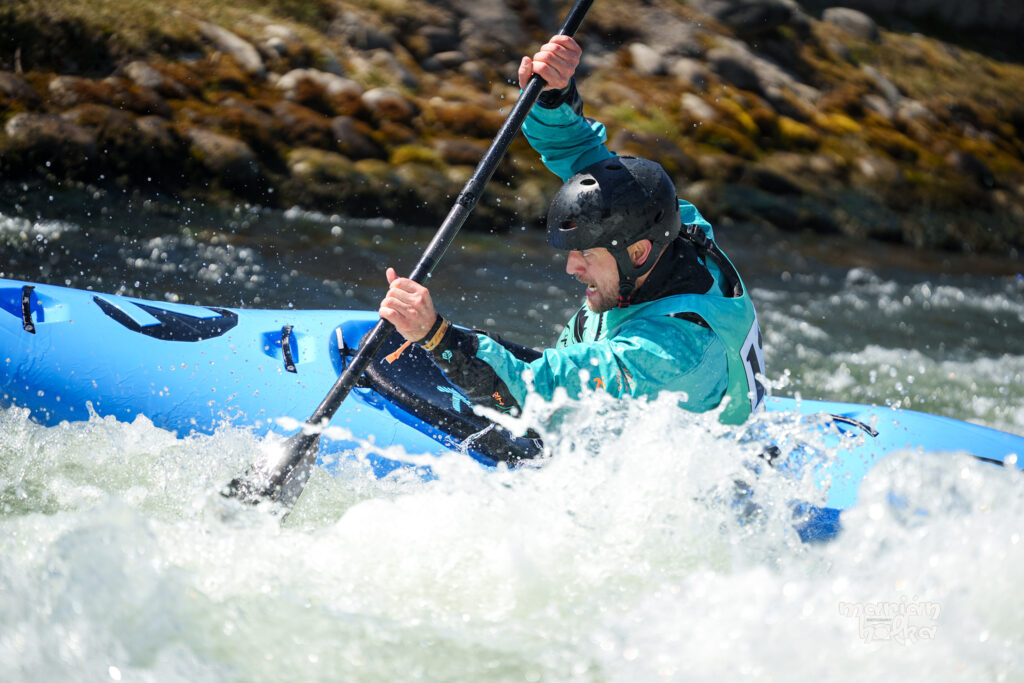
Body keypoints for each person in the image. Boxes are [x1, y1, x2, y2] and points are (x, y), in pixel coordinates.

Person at [379, 35, 765, 439]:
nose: (571, 267)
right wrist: (552, 97)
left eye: (587, 253)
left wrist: (434, 335)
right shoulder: (669, 223)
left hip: (670, 467)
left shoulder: (666, 353)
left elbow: (529, 397)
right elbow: (584, 156)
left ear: (638, 252)